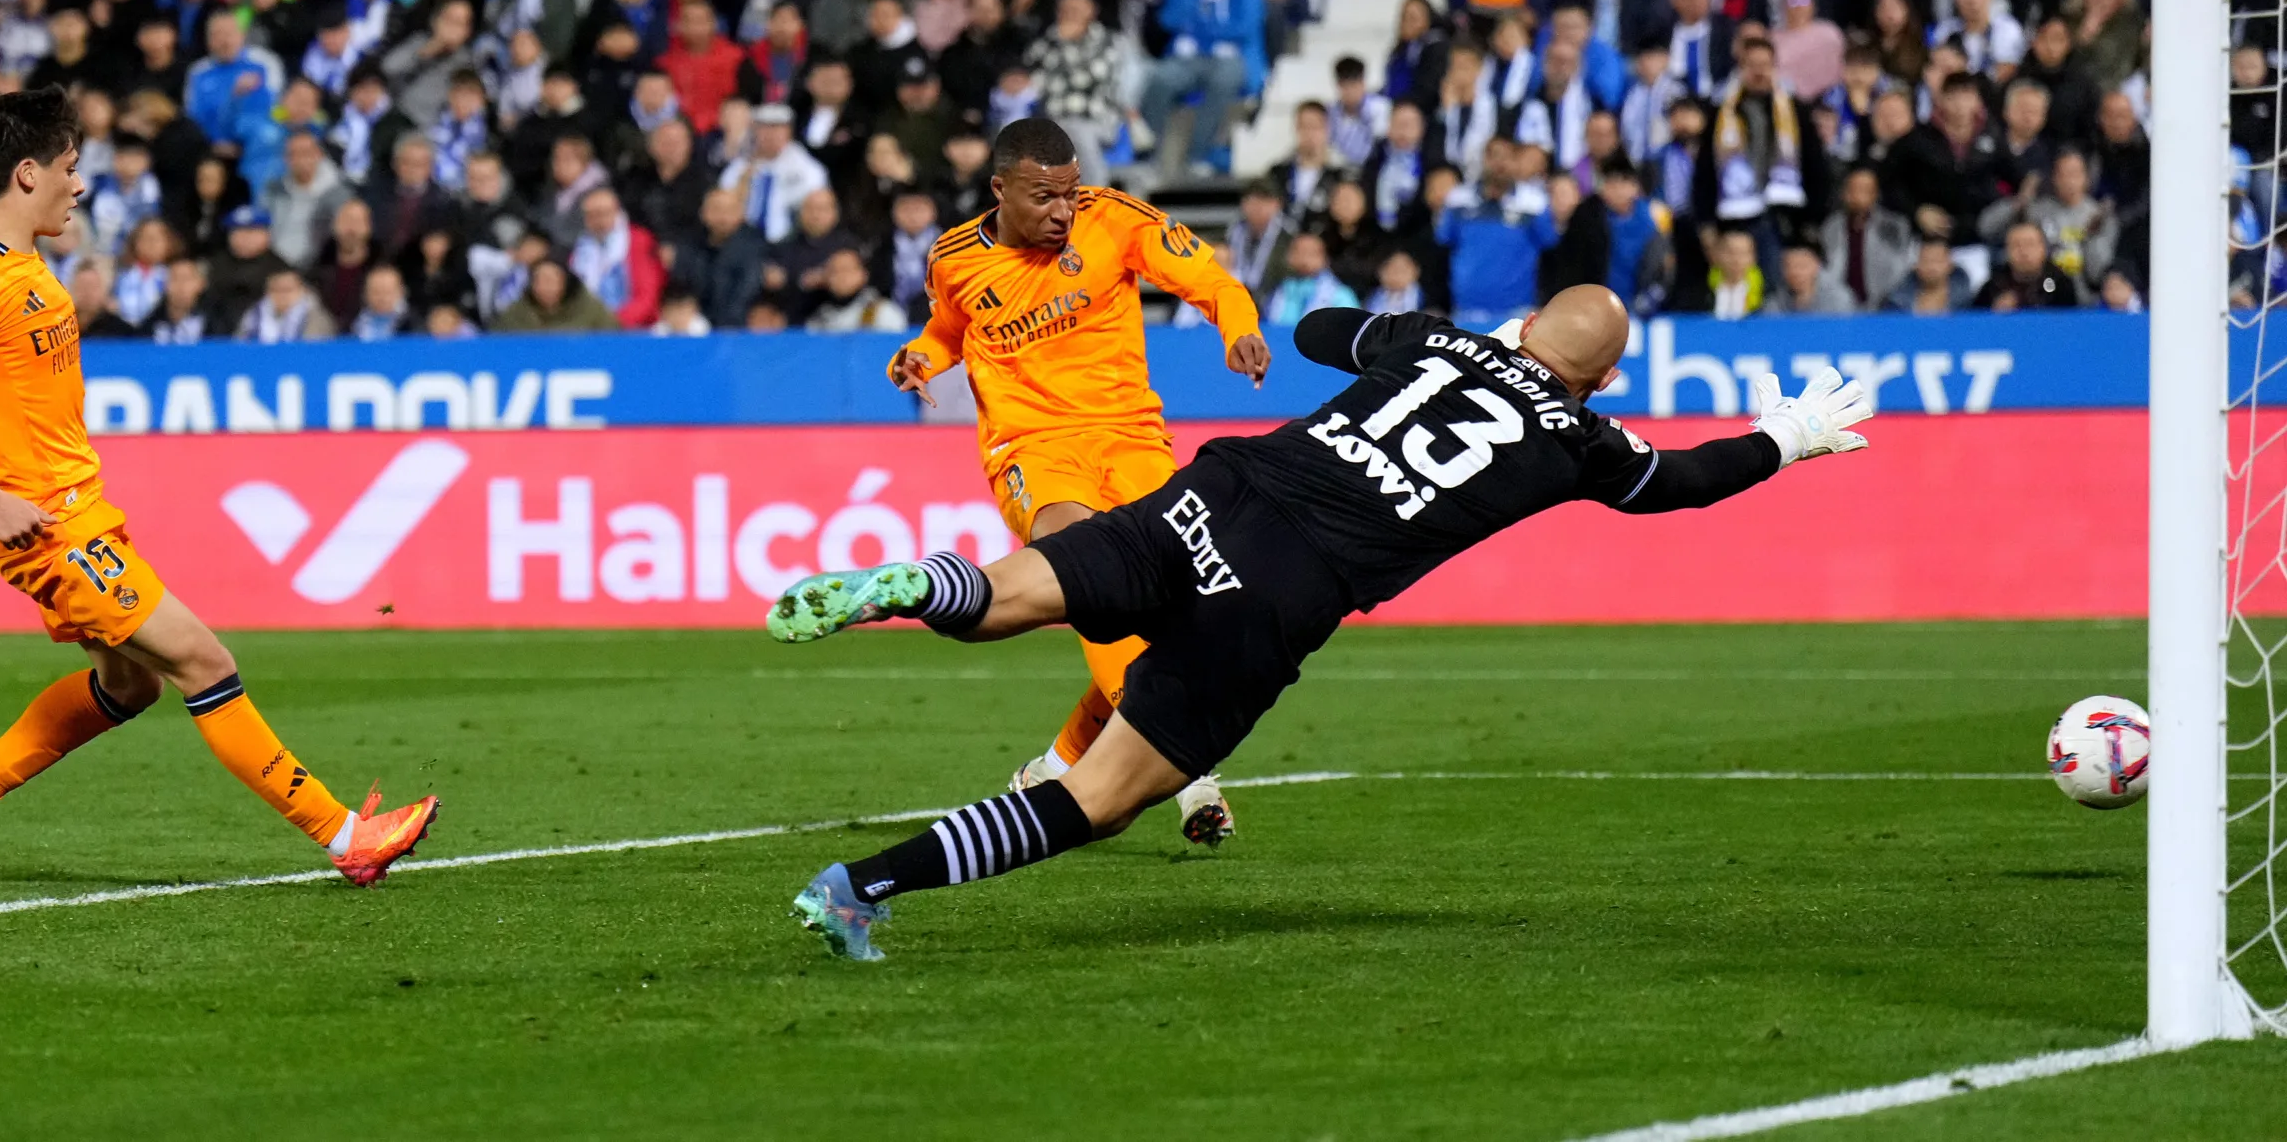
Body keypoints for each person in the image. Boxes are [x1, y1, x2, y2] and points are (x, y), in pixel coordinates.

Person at [769, 285, 1872, 959]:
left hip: (1219, 492)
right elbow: (1683, 482)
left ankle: (915, 585)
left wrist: (1436, 336)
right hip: (1279, 587)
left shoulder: (1434, 340)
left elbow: (1313, 328)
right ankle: (858, 889)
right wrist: (1786, 439)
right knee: (1098, 801)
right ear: (1609, 375)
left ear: (1528, 321)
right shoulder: (1583, 440)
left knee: (1008, 597)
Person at [0, 88, 439, 891]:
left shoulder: (23, 264)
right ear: (27, 173)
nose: (79, 184)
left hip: (81, 511)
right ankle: (348, 836)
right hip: (48, 528)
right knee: (204, 661)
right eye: (70, 167)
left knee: (129, 685)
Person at [886, 118, 1268, 846]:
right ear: (1000, 190)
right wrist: (919, 357)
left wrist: (1238, 326)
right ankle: (1189, 766)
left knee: (1172, 611)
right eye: (1044, 197)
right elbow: (948, 328)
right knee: (1088, 567)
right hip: (1033, 447)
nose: (1064, 211)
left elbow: (1207, 277)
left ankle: (1055, 766)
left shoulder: (1113, 219)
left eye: (1070, 193)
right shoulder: (954, 258)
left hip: (1132, 440)